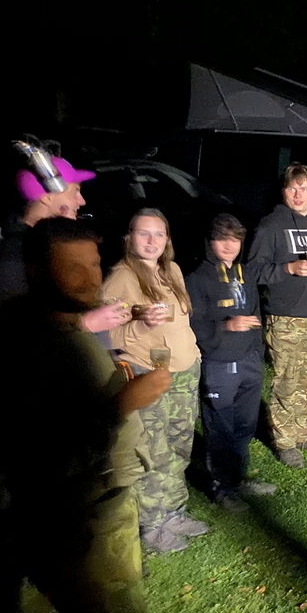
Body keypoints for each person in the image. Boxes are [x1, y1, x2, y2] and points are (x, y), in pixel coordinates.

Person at [5, 217, 171, 613]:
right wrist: (125, 403)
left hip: (98, 497)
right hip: (83, 510)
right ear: (35, 271)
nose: (90, 278)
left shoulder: (57, 323)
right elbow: (48, 455)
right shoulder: (28, 347)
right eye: (72, 267)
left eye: (94, 264)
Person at [104, 209, 204, 554]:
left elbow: (181, 320)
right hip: (148, 373)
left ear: (167, 239)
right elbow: (107, 334)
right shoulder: (121, 278)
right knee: (152, 450)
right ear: (129, 238)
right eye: (143, 233)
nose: (151, 241)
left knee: (179, 444)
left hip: (184, 371)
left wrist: (193, 353)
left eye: (159, 234)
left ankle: (173, 510)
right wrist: (141, 324)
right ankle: (152, 525)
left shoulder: (171, 269)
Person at [248, 163, 307, 468]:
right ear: (284, 191)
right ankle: (284, 442)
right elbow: (252, 271)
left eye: (304, 188)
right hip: (286, 317)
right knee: (287, 381)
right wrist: (289, 268)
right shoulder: (271, 225)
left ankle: (301, 433)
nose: (298, 194)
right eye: (292, 188)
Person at [186, 214, 276, 512]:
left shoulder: (244, 272)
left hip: (249, 360)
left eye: (235, 239)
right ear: (210, 241)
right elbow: (194, 324)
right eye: (222, 239)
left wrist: (257, 350)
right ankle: (221, 488)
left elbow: (255, 311)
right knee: (220, 428)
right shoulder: (197, 278)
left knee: (245, 426)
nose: (229, 245)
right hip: (220, 364)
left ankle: (238, 478)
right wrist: (226, 325)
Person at [0, 145, 130, 334]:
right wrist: (84, 324)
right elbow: (17, 327)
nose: (82, 201)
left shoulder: (47, 242)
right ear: (47, 198)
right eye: (75, 192)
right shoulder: (15, 255)